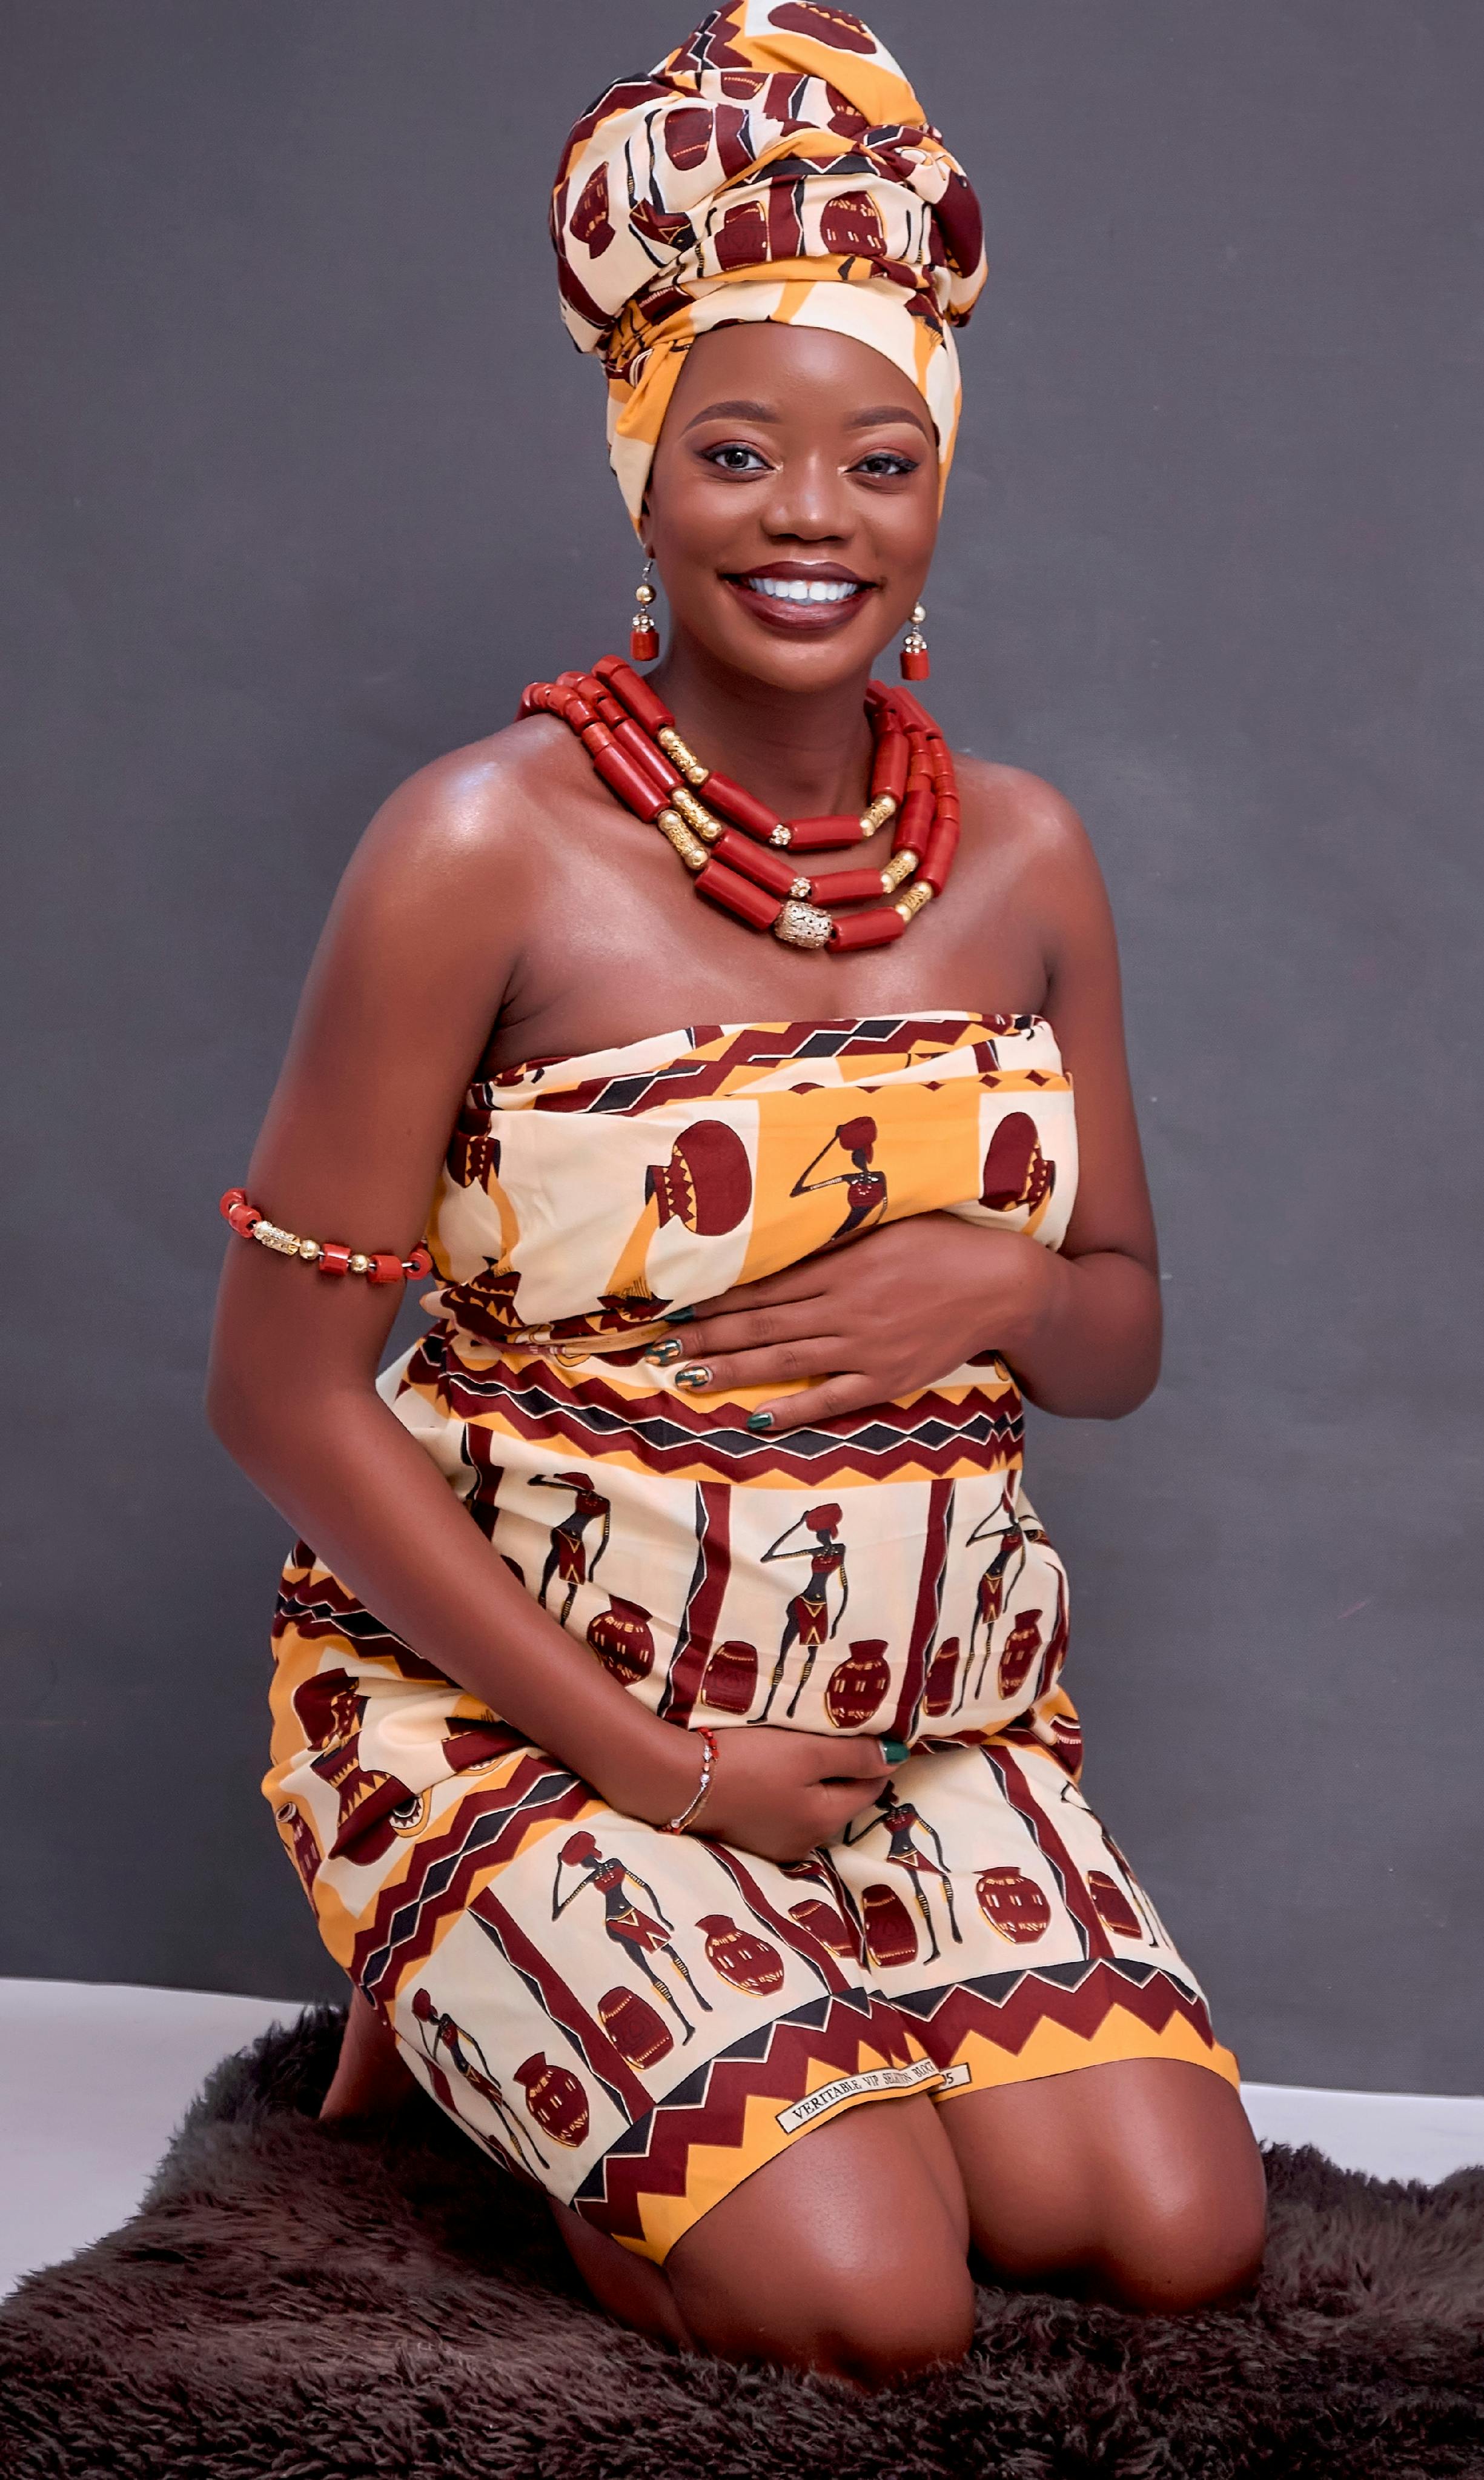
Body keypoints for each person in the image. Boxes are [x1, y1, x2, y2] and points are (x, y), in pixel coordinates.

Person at [209, 4, 1267, 2387]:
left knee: (1172, 2231)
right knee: (874, 2297)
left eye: (879, 459)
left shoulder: (1024, 854)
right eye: (740, 452)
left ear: (942, 482)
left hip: (914, 1723)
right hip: (539, 1714)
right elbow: (276, 1392)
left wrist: (995, 1277)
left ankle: (727, 2018)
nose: (814, 516)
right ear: (641, 470)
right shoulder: (474, 851)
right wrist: (651, 1762)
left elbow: (1119, 1330)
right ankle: (480, 1976)